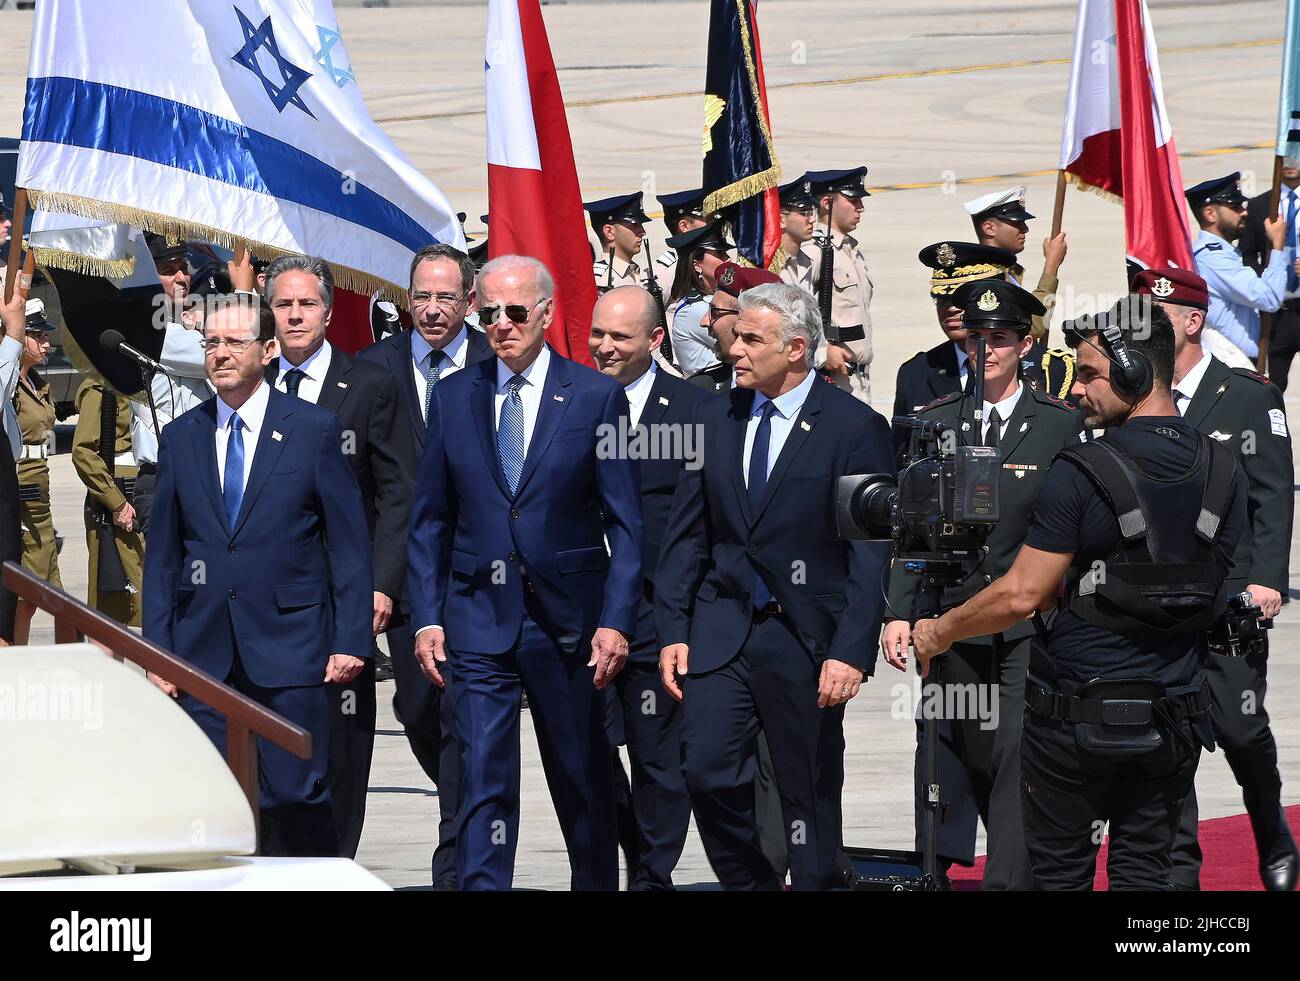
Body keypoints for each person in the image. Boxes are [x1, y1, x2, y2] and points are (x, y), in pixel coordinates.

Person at [912, 299, 1247, 889]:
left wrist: (938, 630)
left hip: (1075, 721)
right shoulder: (1221, 466)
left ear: (1133, 374)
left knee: (1060, 873)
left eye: (1091, 375)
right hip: (1173, 714)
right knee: (1145, 871)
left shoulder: (1082, 466)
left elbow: (1021, 594)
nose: (1080, 390)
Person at [407, 254, 643, 891]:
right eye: (490, 314)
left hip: (567, 623)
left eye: (516, 312)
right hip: (477, 619)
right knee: (481, 776)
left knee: (580, 774)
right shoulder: (454, 395)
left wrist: (616, 621)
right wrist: (427, 617)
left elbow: (625, 524)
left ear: (544, 313)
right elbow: (429, 519)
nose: (503, 325)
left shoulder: (596, 397)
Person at [656, 282, 892, 890]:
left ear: (794, 350)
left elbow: (869, 551)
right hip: (721, 629)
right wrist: (674, 629)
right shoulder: (714, 415)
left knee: (806, 791)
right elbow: (687, 534)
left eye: (750, 339)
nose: (733, 348)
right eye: (736, 335)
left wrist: (850, 650)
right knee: (704, 771)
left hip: (807, 637)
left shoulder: (854, 427)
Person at [143, 296, 372, 855]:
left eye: (233, 343)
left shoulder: (314, 430)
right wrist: (158, 653)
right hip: (204, 654)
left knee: (295, 795)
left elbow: (346, 545)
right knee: (216, 800)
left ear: (268, 351)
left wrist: (350, 638)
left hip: (291, 649)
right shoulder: (183, 436)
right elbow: (165, 556)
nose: (219, 355)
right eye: (211, 344)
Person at [882, 278, 1084, 890]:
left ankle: (1009, 883)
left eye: (1000, 339)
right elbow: (908, 528)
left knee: (1014, 755)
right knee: (954, 751)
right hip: (953, 617)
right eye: (978, 338)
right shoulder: (937, 420)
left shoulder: (1057, 425)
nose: (987, 350)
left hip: (1029, 623)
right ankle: (934, 872)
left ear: (1026, 345)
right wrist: (896, 611)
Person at [1131, 267, 1299, 891]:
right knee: (1165, 733)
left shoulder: (1249, 397)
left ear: (1193, 320)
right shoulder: (1135, 394)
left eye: (1157, 318)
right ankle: (1181, 875)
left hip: (1229, 596)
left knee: (1238, 725)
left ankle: (1271, 828)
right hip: (1153, 598)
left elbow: (1274, 497)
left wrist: (1266, 579)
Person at [261, 255, 416, 861]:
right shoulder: (253, 383)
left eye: (306, 304)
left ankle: (334, 865)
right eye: (283, 304)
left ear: (328, 311)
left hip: (343, 598)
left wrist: (382, 585)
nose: (295, 315)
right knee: (272, 750)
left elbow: (399, 492)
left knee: (342, 746)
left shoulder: (371, 385)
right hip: (267, 604)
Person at [360, 243, 492, 889]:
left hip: (480, 579)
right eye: (422, 296)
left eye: (446, 297)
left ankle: (457, 862)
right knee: (418, 712)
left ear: (470, 301)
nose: (433, 309)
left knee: (466, 719)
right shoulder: (372, 369)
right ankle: (473, 800)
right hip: (405, 578)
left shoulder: (499, 363)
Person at [588, 284, 709, 889]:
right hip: (585, 611)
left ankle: (651, 878)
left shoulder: (691, 410)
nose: (604, 348)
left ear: (655, 341)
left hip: (659, 612)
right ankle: (632, 853)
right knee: (588, 754)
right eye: (597, 334)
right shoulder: (570, 400)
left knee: (660, 758)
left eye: (619, 337)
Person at [892, 242, 1017, 464]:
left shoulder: (1045, 366)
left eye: (959, 300)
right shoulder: (916, 373)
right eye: (941, 299)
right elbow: (901, 459)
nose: (949, 308)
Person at [130, 232, 210, 534]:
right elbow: (220, 357)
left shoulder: (185, 323)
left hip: (204, 472)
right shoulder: (149, 330)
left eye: (183, 268)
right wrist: (243, 291)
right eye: (168, 271)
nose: (181, 278)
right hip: (164, 475)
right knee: (170, 578)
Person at [1187, 172, 1287, 368]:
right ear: (1210, 214)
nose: (1244, 212)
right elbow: (1269, 298)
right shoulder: (1213, 258)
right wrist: (1277, 248)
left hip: (1237, 362)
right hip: (1231, 364)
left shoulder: (1224, 253)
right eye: (1235, 207)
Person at [72, 374, 144, 627]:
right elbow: (83, 452)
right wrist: (116, 502)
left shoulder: (148, 377)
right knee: (113, 601)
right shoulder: (100, 387)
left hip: (147, 490)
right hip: (118, 496)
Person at [12, 300, 63, 644]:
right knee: (23, 595)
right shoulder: (8, 385)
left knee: (40, 596)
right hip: (20, 491)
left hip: (38, 491)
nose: (46, 343)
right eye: (38, 335)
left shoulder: (34, 381)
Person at [803, 167, 874, 402]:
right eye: (853, 200)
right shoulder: (814, 252)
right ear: (826, 202)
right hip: (830, 378)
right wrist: (822, 353)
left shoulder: (851, 251)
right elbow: (794, 313)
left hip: (858, 379)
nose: (861, 208)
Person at [965, 186, 1067, 341]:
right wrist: (1051, 265)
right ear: (989, 228)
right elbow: (1033, 327)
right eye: (1016, 223)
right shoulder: (987, 277)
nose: (1025, 229)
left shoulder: (1004, 270)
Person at [1240, 158, 1300, 390]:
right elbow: (1247, 254)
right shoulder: (1260, 205)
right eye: (1286, 156)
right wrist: (1268, 277)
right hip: (1276, 314)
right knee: (1271, 386)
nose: (1291, 162)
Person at [587, 192, 651, 292]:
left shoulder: (639, 273)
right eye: (634, 225)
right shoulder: (599, 282)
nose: (643, 232)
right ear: (609, 232)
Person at [653, 189, 711, 294]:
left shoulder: (712, 259)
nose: (711, 222)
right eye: (705, 218)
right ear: (684, 226)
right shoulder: (665, 272)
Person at [776, 176, 816, 293]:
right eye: (804, 213)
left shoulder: (806, 262)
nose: (812, 219)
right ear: (781, 220)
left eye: (811, 212)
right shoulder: (770, 265)